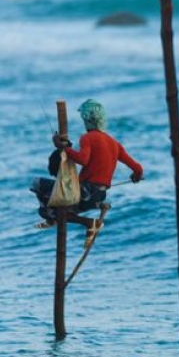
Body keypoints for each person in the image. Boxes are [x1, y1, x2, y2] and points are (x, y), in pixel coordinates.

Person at [31, 99, 143, 247]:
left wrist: (62, 147)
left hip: (85, 192)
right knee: (58, 211)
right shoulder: (115, 144)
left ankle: (87, 222)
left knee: (37, 184)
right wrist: (135, 177)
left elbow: (83, 160)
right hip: (98, 197)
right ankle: (55, 218)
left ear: (87, 120)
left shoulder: (87, 138)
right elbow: (138, 169)